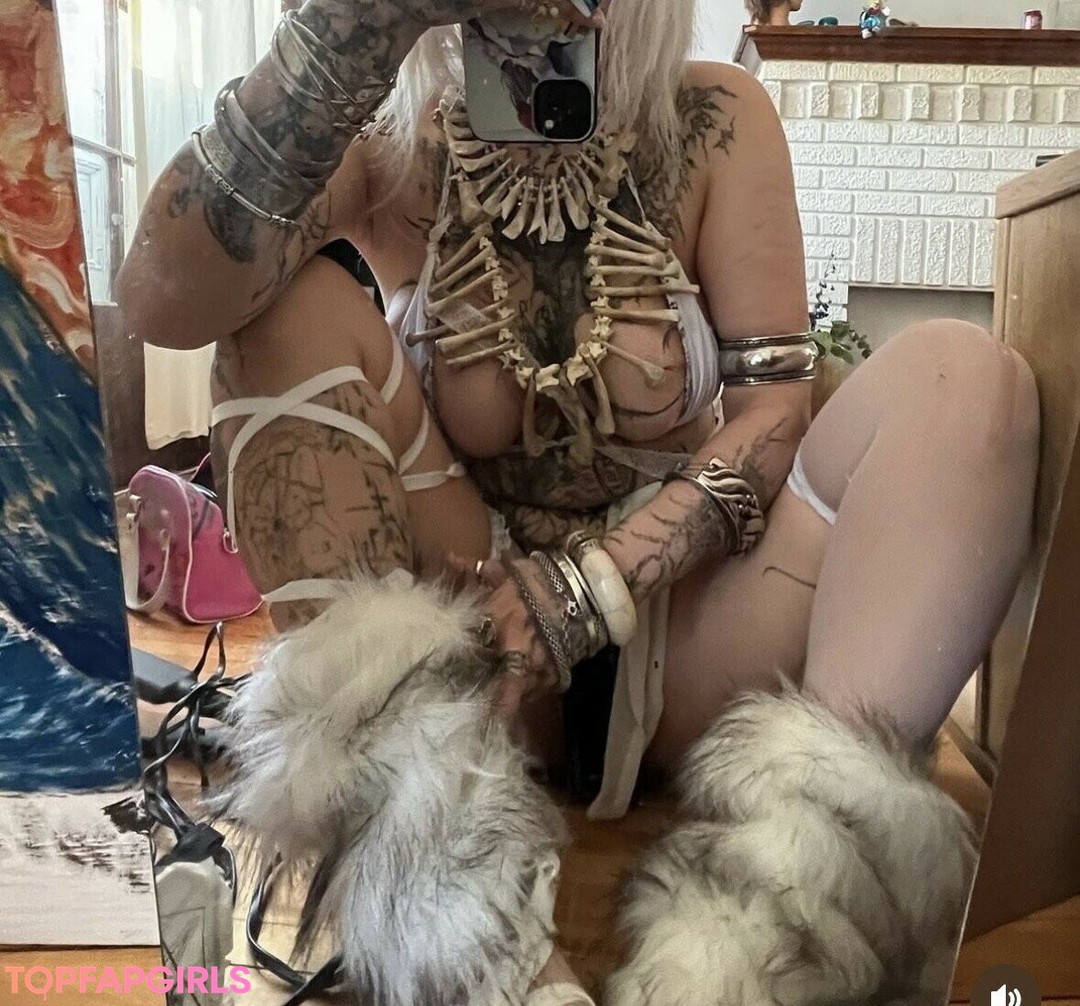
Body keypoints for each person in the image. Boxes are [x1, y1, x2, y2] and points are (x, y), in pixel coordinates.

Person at [117, 0, 1040, 1003]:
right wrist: (356, 27)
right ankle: (472, 937)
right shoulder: (393, 142)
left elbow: (775, 412)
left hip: (693, 630)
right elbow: (168, 301)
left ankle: (774, 932)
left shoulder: (713, 118)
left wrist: (590, 589)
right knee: (275, 310)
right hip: (475, 644)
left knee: (966, 379)